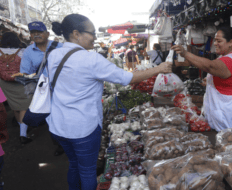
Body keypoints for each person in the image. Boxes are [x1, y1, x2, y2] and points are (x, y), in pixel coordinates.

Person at [49, 14, 172, 190]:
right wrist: (158, 69)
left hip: (58, 125)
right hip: (82, 128)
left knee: (74, 165)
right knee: (87, 171)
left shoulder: (54, 54)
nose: (95, 37)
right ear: (76, 34)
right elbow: (128, 78)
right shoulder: (90, 59)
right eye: (91, 33)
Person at [172, 25, 232, 132]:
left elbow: (209, 66)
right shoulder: (229, 56)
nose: (215, 44)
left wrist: (185, 53)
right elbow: (225, 76)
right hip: (229, 113)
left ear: (230, 42)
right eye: (215, 40)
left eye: (219, 41)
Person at [12, 21, 65, 155]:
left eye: (39, 32)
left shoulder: (60, 47)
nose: (36, 35)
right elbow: (25, 72)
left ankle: (69, 139)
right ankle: (59, 144)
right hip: (43, 90)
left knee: (64, 114)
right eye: (33, 33)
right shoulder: (29, 51)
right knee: (50, 118)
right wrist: (27, 79)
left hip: (63, 86)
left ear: (47, 33)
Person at [0, 32, 32, 144]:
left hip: (5, 83)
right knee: (24, 106)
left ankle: (21, 127)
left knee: (15, 106)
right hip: (20, 82)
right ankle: (23, 134)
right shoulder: (22, 52)